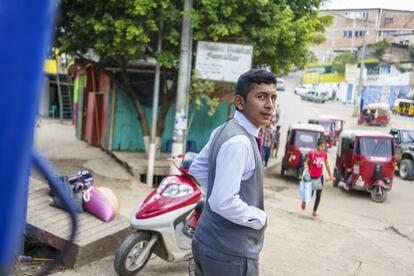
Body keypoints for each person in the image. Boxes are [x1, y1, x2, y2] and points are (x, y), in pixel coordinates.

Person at [189, 69, 277, 276]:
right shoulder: (240, 142)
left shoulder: (223, 129)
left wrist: (219, 190)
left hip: (206, 240)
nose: (270, 105)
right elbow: (223, 202)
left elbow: (197, 167)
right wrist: (258, 217)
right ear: (239, 102)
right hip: (230, 252)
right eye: (261, 96)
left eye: (273, 97)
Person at [301, 138, 334, 217]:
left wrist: (330, 175)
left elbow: (327, 165)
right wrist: (306, 167)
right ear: (318, 146)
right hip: (311, 177)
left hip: (320, 177)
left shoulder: (324, 154)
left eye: (324, 147)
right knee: (310, 194)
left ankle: (314, 210)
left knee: (319, 195)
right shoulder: (312, 153)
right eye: (322, 146)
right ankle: (304, 201)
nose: (323, 148)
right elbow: (306, 161)